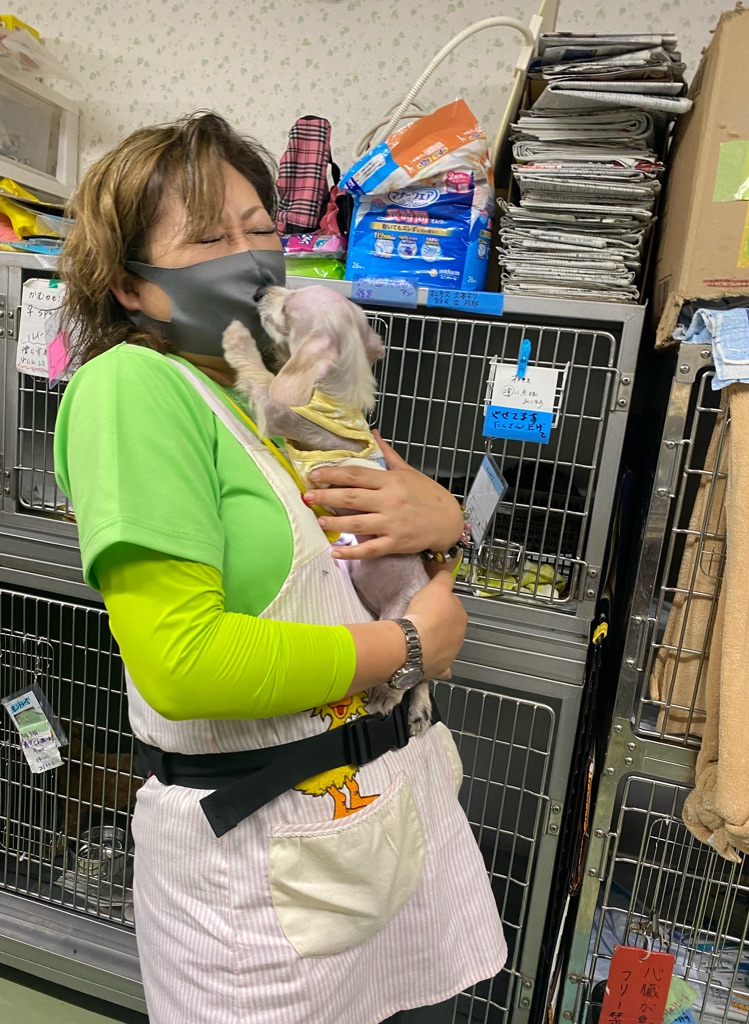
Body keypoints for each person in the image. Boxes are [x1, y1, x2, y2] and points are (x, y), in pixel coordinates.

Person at [53, 111, 506, 1024]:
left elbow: (393, 518)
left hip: (372, 814)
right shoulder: (133, 388)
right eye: (208, 237)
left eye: (261, 228)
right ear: (131, 284)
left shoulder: (269, 390)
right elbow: (184, 666)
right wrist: (411, 644)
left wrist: (445, 518)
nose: (249, 256)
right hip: (258, 866)